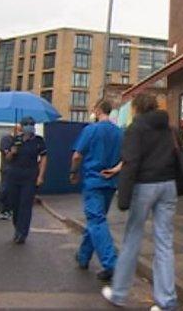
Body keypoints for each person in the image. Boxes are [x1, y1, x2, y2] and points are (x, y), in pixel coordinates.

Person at [101, 93, 177, 311]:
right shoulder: (168, 127)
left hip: (145, 185)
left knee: (132, 238)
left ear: (137, 108)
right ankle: (167, 301)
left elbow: (131, 162)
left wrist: (123, 197)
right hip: (168, 185)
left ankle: (119, 293)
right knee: (164, 242)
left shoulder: (136, 128)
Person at [71, 99, 123, 280]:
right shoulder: (119, 132)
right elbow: (125, 158)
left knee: (96, 222)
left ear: (99, 109)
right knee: (96, 221)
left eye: (93, 109)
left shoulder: (90, 130)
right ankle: (83, 257)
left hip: (93, 182)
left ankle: (111, 264)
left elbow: (77, 155)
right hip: (110, 183)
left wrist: (73, 172)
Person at [1, 116, 47, 243]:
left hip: (30, 176)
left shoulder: (38, 141)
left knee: (25, 205)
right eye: (27, 124)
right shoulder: (15, 140)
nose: (30, 126)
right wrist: (12, 152)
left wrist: (40, 176)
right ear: (21, 126)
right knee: (15, 204)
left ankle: (23, 233)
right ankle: (17, 228)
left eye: (32, 124)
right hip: (14, 175)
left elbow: (43, 158)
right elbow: (8, 159)